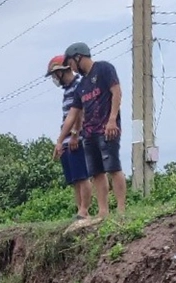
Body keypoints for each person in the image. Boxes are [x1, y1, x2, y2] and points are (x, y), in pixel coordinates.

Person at [55, 42, 127, 218]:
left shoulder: (104, 69)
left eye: (71, 63)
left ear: (78, 56)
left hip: (107, 128)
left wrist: (112, 120)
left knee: (113, 168)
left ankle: (121, 210)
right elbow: (72, 115)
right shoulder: (82, 85)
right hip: (88, 133)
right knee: (96, 173)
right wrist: (59, 140)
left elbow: (116, 92)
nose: (71, 67)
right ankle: (103, 212)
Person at [46, 55, 91, 220]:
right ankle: (79, 210)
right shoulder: (67, 90)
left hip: (77, 138)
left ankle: (85, 210)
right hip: (67, 140)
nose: (54, 79)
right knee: (74, 180)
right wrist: (60, 141)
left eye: (54, 74)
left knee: (82, 176)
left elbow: (80, 113)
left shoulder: (79, 85)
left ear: (61, 71)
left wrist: (74, 134)